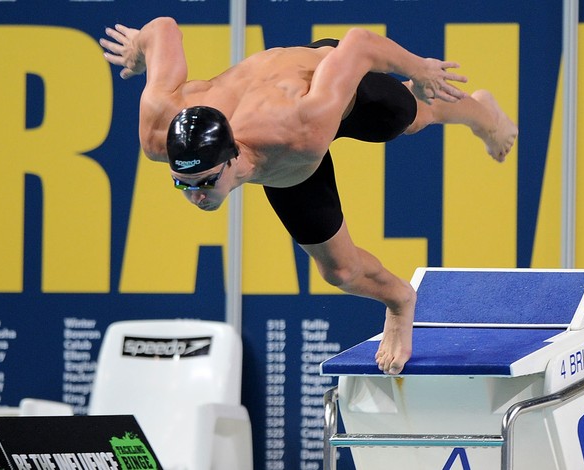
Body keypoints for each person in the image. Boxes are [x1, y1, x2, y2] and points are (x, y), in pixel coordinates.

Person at [100, 17, 518, 375]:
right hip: (282, 161)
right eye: (182, 183)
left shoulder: (303, 125)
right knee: (341, 272)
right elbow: (163, 30)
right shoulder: (158, 132)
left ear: (233, 157)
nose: (195, 196)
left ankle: (483, 115)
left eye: (206, 182)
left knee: (413, 114)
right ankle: (400, 299)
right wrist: (138, 49)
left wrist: (420, 68)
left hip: (327, 86)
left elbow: (360, 44)